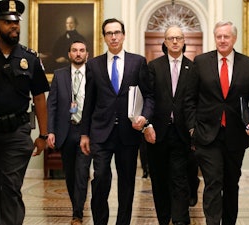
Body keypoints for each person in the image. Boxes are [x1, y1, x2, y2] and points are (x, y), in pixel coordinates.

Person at [0, 0, 49, 224]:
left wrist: (43, 135)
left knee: (10, 187)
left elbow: (39, 98)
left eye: (16, 23)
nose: (14, 27)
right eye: (7, 22)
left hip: (16, 133)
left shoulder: (30, 58)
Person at [184, 21, 249, 225]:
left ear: (234, 38)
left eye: (226, 36)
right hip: (207, 134)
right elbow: (189, 98)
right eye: (218, 36)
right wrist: (193, 127)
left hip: (235, 135)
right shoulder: (201, 62)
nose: (222, 40)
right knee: (212, 182)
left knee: (231, 184)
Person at [80, 18, 154, 225]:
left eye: (117, 32)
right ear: (104, 37)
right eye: (109, 33)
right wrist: (84, 134)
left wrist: (145, 117)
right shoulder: (93, 64)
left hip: (128, 133)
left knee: (127, 183)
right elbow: (89, 101)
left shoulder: (137, 62)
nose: (113, 37)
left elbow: (149, 95)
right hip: (100, 133)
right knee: (101, 178)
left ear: (123, 35)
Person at [143, 25, 192, 225]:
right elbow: (148, 98)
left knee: (180, 180)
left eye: (178, 38)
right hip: (158, 133)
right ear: (164, 42)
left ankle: (180, 220)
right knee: (159, 180)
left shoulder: (193, 67)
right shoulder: (153, 67)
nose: (174, 41)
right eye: (170, 38)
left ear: (183, 41)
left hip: (182, 134)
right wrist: (148, 125)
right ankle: (164, 219)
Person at [47, 40, 92, 225]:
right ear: (69, 54)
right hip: (66, 131)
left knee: (82, 172)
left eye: (82, 50)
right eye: (74, 50)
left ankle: (77, 214)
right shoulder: (59, 75)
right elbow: (52, 105)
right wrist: (50, 131)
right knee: (71, 174)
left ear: (87, 54)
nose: (78, 53)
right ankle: (77, 207)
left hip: (85, 132)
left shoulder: (94, 74)